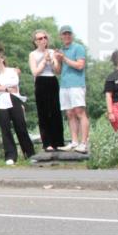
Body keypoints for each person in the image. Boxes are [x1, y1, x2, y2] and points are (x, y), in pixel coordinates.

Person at [0, 55, 35, 165]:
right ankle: (10, 156)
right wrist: (6, 88)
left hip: (14, 99)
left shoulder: (12, 71)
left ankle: (29, 153)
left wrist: (0, 86)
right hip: (1, 102)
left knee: (21, 127)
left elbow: (15, 82)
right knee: (5, 130)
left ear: (2, 59)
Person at [28, 30, 64, 151]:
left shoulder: (52, 52)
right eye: (40, 38)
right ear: (35, 42)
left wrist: (52, 61)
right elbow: (35, 72)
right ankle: (47, 142)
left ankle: (58, 142)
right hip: (41, 81)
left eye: (45, 37)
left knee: (55, 111)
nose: (43, 40)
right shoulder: (33, 54)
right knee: (43, 112)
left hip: (52, 80)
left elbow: (58, 71)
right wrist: (44, 60)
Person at [55, 25, 89, 153]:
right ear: (61, 36)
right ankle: (74, 142)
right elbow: (58, 71)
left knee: (80, 112)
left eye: (69, 33)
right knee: (69, 114)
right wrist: (56, 60)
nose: (67, 36)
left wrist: (64, 58)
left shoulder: (78, 47)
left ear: (72, 35)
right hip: (64, 85)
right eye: (64, 34)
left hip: (76, 84)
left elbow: (80, 65)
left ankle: (83, 143)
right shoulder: (61, 50)